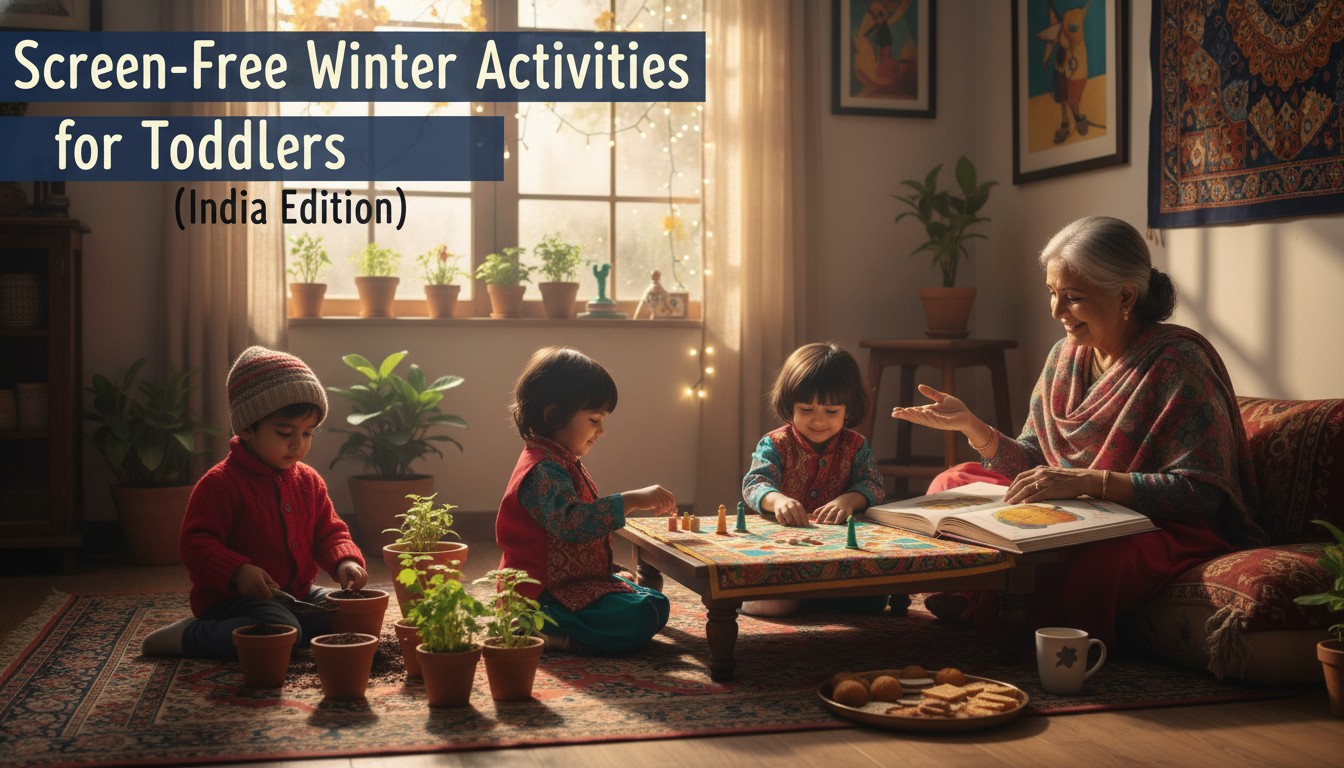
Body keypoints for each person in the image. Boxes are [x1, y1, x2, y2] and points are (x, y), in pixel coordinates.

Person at [890, 216, 1264, 645]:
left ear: (1125, 295)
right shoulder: (1065, 356)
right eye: (1052, 293)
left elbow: (1200, 495)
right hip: (1068, 508)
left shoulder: (1180, 363)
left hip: (1150, 524)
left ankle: (1002, 619)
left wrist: (1091, 482)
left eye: (1072, 298)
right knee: (952, 481)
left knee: (1095, 558)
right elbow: (1032, 460)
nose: (1056, 311)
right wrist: (974, 428)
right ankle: (981, 603)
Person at [141, 346, 367, 658]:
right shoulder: (221, 483)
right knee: (283, 632)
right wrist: (237, 571)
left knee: (351, 616)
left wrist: (345, 560)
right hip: (231, 599)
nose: (297, 444)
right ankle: (190, 635)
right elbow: (195, 543)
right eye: (285, 432)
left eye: (307, 433)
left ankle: (290, 630)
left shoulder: (308, 481)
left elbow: (329, 532)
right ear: (246, 427)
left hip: (297, 594)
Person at [495, 346, 678, 655]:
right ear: (554, 416)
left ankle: (579, 619)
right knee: (642, 614)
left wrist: (605, 569)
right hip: (541, 596)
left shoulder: (560, 459)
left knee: (656, 603)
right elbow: (572, 523)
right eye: (594, 420)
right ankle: (535, 627)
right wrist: (630, 499)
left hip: (569, 585)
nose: (602, 431)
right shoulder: (542, 469)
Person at [740, 342, 896, 617]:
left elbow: (873, 484)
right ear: (790, 406)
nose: (818, 421)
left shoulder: (855, 445)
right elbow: (755, 483)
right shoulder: (775, 444)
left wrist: (848, 500)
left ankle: (809, 596)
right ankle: (751, 599)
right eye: (807, 410)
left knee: (873, 601)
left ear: (849, 409)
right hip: (784, 550)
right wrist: (778, 501)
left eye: (831, 411)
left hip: (836, 552)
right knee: (778, 604)